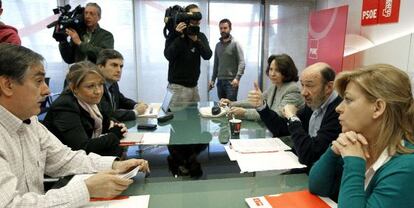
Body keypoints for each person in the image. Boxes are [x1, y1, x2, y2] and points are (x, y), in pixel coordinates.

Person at [0, 43, 149, 207]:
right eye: (39, 81)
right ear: (7, 85)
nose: (47, 90)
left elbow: (64, 159)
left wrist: (115, 165)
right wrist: (87, 189)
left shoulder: (30, 122)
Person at [309, 64, 414, 207]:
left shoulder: (407, 167)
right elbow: (317, 187)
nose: (338, 108)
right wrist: (334, 151)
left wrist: (354, 162)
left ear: (377, 108)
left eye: (348, 99)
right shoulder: (356, 142)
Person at [250, 62, 342, 168]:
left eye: (309, 86)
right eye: (302, 85)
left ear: (329, 87)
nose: (303, 92)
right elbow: (281, 129)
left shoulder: (339, 112)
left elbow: (310, 155)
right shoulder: (315, 102)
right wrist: (262, 106)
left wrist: (293, 118)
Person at [44, 61, 126, 157]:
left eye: (100, 84)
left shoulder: (90, 100)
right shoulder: (65, 106)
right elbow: (82, 147)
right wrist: (114, 135)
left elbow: (107, 119)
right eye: (90, 86)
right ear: (74, 88)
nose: (98, 91)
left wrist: (116, 125)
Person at [221, 54, 303, 121]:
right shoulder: (275, 86)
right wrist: (232, 103)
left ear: (286, 71)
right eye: (271, 69)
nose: (272, 74)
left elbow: (278, 115)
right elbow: (257, 102)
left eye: (277, 70)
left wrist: (244, 112)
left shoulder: (292, 89)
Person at [164, 4, 212, 106]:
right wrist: (179, 36)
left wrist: (197, 41)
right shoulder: (175, 33)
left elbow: (207, 55)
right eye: (194, 16)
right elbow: (168, 55)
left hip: (194, 88)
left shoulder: (200, 36)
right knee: (178, 121)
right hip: (177, 88)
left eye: (198, 16)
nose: (197, 19)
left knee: (195, 121)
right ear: (186, 17)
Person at [97, 49, 148, 121]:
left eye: (121, 66)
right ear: (100, 67)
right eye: (114, 65)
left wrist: (136, 105)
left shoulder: (113, 83)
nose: (119, 70)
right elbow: (107, 114)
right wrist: (136, 112)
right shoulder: (96, 87)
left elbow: (121, 100)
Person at [208, 18, 245, 101]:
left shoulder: (235, 44)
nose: (222, 30)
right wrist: (213, 80)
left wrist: (237, 78)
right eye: (221, 28)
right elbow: (216, 64)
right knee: (222, 107)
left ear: (230, 29)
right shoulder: (218, 45)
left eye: (225, 28)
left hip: (231, 82)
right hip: (220, 82)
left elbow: (242, 62)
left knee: (231, 108)